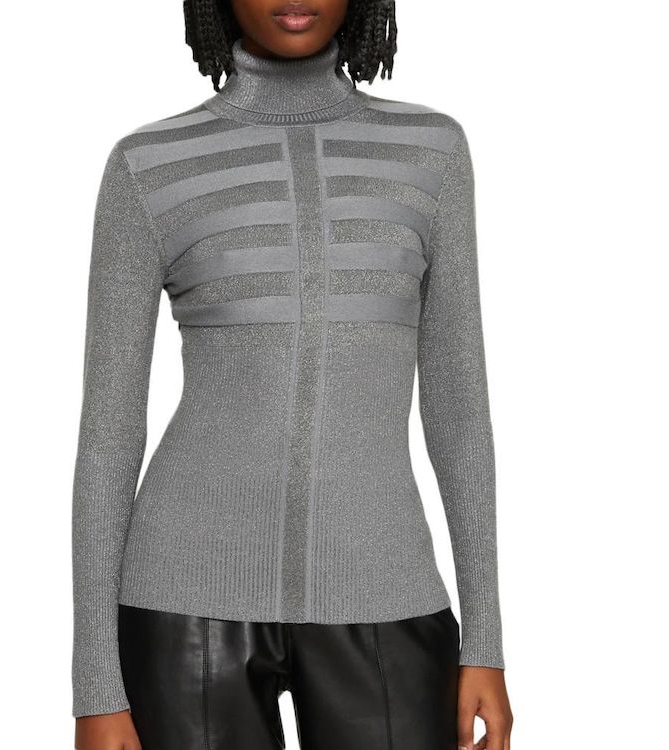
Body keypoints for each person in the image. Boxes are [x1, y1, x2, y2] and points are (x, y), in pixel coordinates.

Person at [71, 0, 514, 748]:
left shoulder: (430, 152)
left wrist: (486, 643)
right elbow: (108, 437)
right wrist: (95, 686)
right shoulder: (148, 164)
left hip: (385, 587)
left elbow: (459, 407)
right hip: (182, 597)